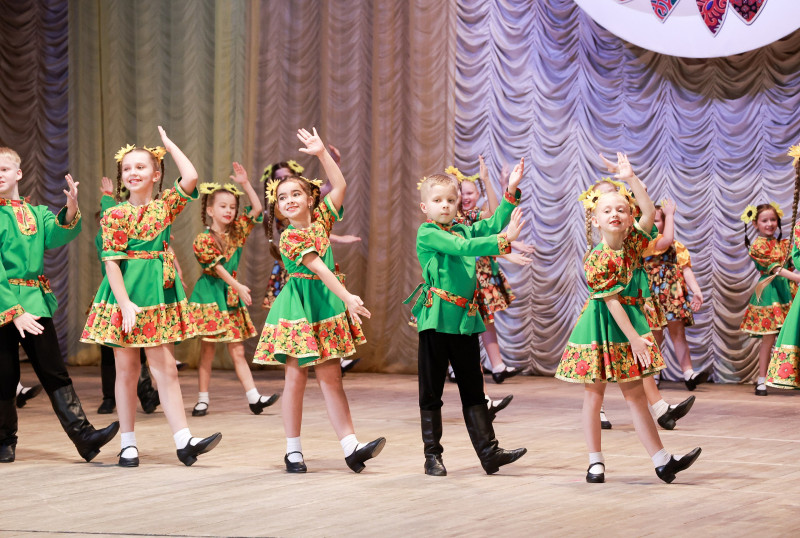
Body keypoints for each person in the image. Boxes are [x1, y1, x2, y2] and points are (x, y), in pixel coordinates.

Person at [556, 153, 701, 484]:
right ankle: (595, 462)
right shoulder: (596, 258)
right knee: (594, 395)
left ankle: (662, 461)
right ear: (595, 220)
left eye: (621, 209)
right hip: (602, 326)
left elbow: (649, 212)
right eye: (607, 210)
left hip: (627, 322)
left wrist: (631, 178)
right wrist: (635, 338)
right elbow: (611, 301)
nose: (615, 214)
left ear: (629, 216)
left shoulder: (634, 243)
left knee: (635, 396)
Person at [81, 127, 221, 467]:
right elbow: (111, 262)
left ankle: (184, 441)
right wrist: (124, 303)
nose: (133, 172)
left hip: (158, 296)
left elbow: (191, 176)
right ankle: (127, 444)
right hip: (126, 295)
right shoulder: (115, 214)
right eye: (127, 168)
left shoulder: (164, 207)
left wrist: (169, 147)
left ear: (156, 175)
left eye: (141, 167)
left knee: (166, 370)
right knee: (127, 370)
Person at [253, 127, 384, 474]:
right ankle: (293, 451)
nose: (289, 200)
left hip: (324, 306)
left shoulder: (322, 220)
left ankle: (351, 446)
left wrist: (322, 153)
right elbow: (319, 268)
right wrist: (348, 297)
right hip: (299, 307)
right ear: (278, 208)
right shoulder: (290, 237)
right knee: (295, 379)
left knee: (332, 378)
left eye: (296, 193)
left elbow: (339, 186)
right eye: (282, 197)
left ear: (310, 199)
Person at [405, 158, 528, 476]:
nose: (445, 205)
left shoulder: (462, 228)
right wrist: (504, 241)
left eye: (450, 199)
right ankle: (432, 456)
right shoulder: (427, 233)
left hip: (464, 320)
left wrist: (510, 190)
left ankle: (489, 453)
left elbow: (492, 224)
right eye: (438, 200)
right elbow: (462, 247)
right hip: (437, 319)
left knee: (473, 389)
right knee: (431, 391)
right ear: (425, 207)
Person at [0, 146, 119, 463]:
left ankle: (84, 437)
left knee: (54, 371)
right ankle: (4, 440)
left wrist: (71, 206)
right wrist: (14, 313)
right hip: (3, 304)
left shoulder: (36, 213)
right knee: (4, 375)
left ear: (18, 173)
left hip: (34, 301)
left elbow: (56, 235)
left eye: (4, 169)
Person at [189, 164, 279, 416]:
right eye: (223, 206)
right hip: (210, 296)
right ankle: (202, 399)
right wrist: (237, 286)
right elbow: (217, 267)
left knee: (238, 350)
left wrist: (245, 183)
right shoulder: (203, 240)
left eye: (232, 207)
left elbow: (258, 209)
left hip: (229, 297)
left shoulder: (237, 232)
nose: (229, 211)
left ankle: (254, 397)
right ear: (210, 210)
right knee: (207, 351)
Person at [643, 202, 707, 390]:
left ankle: (689, 373)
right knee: (655, 335)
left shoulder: (677, 247)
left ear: (664, 222)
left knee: (678, 333)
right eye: (649, 221)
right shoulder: (646, 245)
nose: (653, 225)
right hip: (651, 295)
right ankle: (654, 374)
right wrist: (670, 214)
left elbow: (686, 270)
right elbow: (666, 240)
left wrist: (696, 291)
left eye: (657, 220)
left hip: (672, 294)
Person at [739, 202, 799, 396]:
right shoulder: (757, 246)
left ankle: (790, 376)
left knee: (791, 334)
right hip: (769, 292)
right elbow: (775, 269)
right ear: (755, 223)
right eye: (765, 220)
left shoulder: (784, 243)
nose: (770, 224)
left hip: (786, 291)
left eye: (773, 219)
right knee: (768, 338)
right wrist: (797, 277)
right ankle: (761, 380)